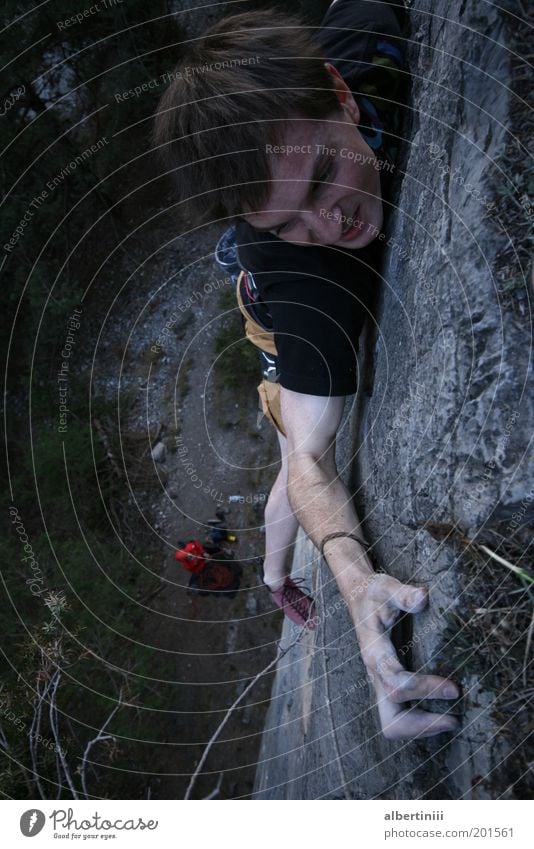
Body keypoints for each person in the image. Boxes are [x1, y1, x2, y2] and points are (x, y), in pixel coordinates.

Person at [154, 1, 460, 740]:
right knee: (291, 447)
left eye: (326, 173)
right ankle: (270, 579)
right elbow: (313, 464)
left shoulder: (360, 36)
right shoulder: (309, 280)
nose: (333, 225)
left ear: (340, 93)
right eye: (289, 217)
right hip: (265, 301)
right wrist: (356, 585)